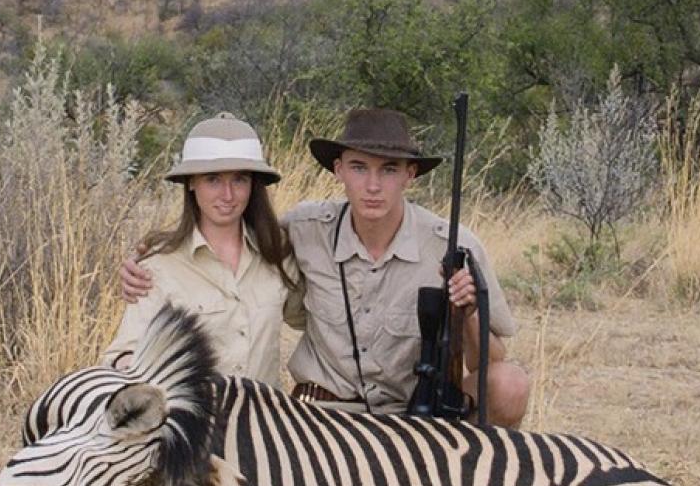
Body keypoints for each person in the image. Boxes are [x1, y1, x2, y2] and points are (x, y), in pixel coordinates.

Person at [124, 108, 531, 427]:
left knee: (509, 385)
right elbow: (226, 231)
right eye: (359, 168)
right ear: (338, 170)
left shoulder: (453, 244)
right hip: (321, 415)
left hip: (412, 412)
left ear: (410, 174)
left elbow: (489, 361)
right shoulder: (304, 230)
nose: (373, 186)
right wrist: (151, 255)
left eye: (389, 169)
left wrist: (468, 311)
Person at [103, 114, 294, 385]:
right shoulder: (158, 267)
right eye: (213, 179)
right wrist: (139, 374)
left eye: (239, 179)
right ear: (191, 182)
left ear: (253, 184)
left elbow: (314, 317)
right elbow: (123, 353)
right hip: (196, 413)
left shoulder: (278, 254)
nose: (227, 195)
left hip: (265, 412)